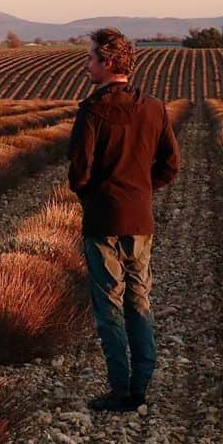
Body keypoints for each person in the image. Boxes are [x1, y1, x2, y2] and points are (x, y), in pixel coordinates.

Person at [68, 28, 180, 413]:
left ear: (108, 63)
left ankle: (119, 390)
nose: (86, 65)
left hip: (102, 221)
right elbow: (171, 165)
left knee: (109, 307)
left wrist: (95, 197)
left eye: (90, 59)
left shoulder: (91, 111)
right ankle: (141, 387)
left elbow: (78, 172)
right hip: (140, 219)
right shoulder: (154, 108)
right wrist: (141, 192)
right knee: (139, 299)